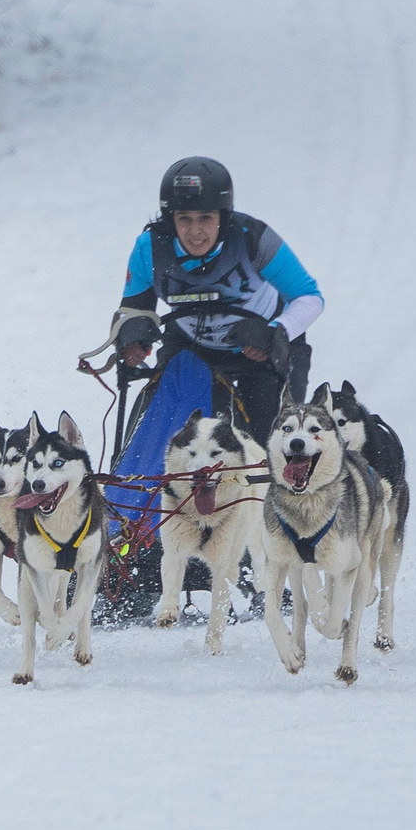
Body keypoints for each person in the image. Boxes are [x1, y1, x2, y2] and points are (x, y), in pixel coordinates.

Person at [98, 156, 323, 613]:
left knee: (267, 451)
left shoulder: (255, 239)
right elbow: (135, 305)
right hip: (192, 352)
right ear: (169, 220)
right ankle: (135, 544)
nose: (195, 230)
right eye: (184, 219)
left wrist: (277, 332)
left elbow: (310, 297)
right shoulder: (150, 248)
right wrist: (133, 337)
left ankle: (277, 561)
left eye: (206, 218)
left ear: (224, 217)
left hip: (264, 353)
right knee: (165, 434)